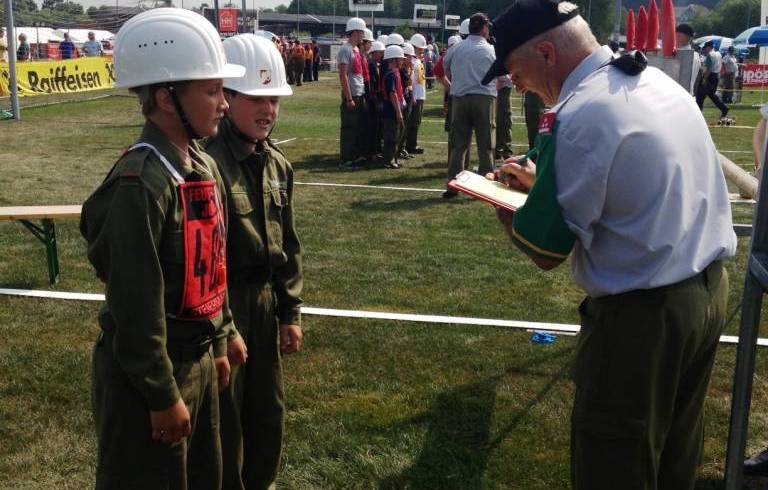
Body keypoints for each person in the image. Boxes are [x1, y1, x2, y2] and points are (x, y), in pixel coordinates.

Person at [482, 1, 736, 488]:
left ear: (548, 52)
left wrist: (500, 205)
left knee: (615, 460)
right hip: (705, 291)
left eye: (515, 69)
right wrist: (545, 179)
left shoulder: (582, 111)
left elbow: (545, 250)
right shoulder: (653, 81)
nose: (514, 83)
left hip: (644, 316)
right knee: (673, 455)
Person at [79, 8, 246, 489]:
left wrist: (220, 335)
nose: (223, 104)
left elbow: (210, 264)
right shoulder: (141, 184)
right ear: (165, 99)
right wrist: (159, 393)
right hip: (149, 375)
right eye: (212, 92)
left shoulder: (200, 167)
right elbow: (135, 304)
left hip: (194, 359)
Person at [203, 33, 302, 490]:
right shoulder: (206, 164)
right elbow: (205, 260)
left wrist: (289, 311)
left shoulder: (276, 164)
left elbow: (289, 245)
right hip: (222, 307)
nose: (268, 110)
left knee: (269, 413)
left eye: (275, 99)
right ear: (226, 96)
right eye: (257, 98)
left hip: (262, 304)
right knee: (224, 421)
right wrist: (224, 327)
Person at [442, 12, 497, 198]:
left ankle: (452, 184)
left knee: (459, 145)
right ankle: (485, 187)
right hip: (484, 99)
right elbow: (501, 75)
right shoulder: (490, 49)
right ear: (483, 28)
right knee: (486, 145)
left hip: (460, 98)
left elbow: (443, 68)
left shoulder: (456, 48)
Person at [337, 17, 367, 168]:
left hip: (358, 93)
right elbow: (343, 75)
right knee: (349, 127)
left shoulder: (355, 49)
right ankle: (346, 158)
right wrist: (349, 98)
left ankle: (354, 155)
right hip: (352, 95)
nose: (363, 35)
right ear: (355, 31)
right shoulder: (345, 49)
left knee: (357, 127)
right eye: (361, 32)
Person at [380, 45, 406, 169]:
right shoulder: (391, 75)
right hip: (391, 112)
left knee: (396, 136)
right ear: (394, 60)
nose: (402, 61)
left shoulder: (394, 73)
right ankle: (388, 160)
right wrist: (398, 112)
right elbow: (392, 94)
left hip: (394, 110)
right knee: (391, 137)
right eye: (400, 59)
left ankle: (393, 159)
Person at [406, 33, 427, 156]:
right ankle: (410, 145)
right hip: (416, 95)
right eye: (419, 49)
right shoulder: (412, 62)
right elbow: (411, 80)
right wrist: (413, 95)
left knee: (417, 121)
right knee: (412, 122)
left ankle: (412, 144)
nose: (421, 51)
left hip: (420, 95)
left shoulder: (418, 61)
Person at [697, 41, 729, 120]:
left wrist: (704, 78)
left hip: (710, 76)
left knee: (700, 95)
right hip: (716, 76)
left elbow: (709, 69)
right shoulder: (719, 54)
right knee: (711, 95)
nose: (705, 50)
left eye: (706, 48)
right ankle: (724, 108)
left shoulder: (710, 55)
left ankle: (699, 112)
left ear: (709, 47)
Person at [675, 23, 701, 95]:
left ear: (687, 38)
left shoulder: (689, 55)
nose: (675, 38)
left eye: (679, 36)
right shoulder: (694, 55)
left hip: (681, 93)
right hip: (684, 93)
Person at [495, 74, 514, 159]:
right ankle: (497, 149)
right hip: (495, 89)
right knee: (496, 121)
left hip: (503, 90)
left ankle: (506, 150)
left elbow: (505, 78)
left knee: (504, 120)